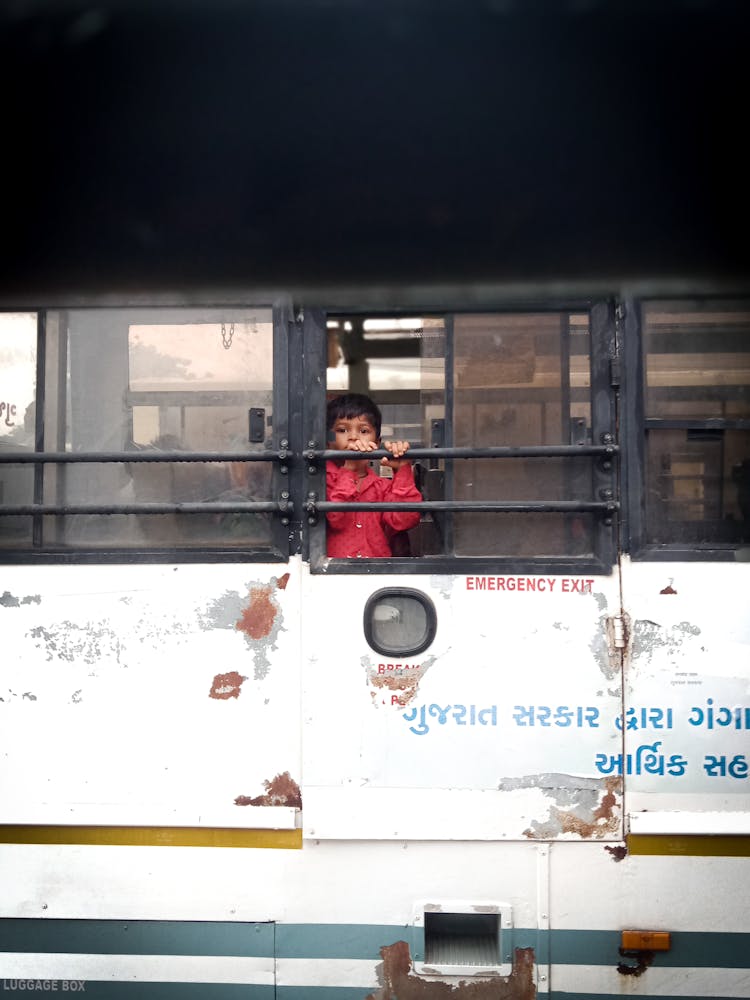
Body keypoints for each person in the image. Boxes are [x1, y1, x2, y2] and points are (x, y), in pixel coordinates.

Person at [326, 393, 422, 557]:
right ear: (328, 441)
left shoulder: (382, 487)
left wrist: (402, 470)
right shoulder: (322, 479)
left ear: (377, 443)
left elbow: (404, 520)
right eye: (342, 430)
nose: (354, 437)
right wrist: (349, 470)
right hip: (332, 574)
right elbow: (335, 518)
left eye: (364, 430)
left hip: (378, 574)